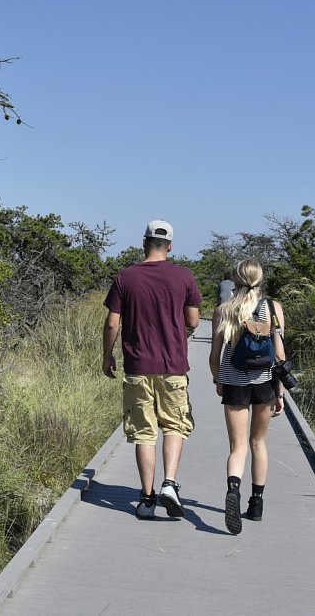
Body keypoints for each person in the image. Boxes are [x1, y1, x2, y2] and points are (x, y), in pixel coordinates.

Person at [102, 220, 202, 519]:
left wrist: (107, 356)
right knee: (174, 425)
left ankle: (146, 500)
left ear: (143, 243)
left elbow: (111, 323)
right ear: (170, 246)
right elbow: (194, 321)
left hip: (137, 366)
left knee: (144, 432)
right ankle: (169, 484)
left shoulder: (125, 277)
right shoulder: (183, 276)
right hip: (172, 366)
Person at [208, 258, 287, 535]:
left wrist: (219, 381)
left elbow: (214, 357)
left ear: (236, 279)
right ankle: (256, 504)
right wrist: (279, 393)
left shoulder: (223, 311)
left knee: (237, 447)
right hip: (264, 382)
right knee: (259, 442)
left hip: (233, 383)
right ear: (260, 279)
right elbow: (279, 355)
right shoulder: (272, 309)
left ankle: (233, 489)